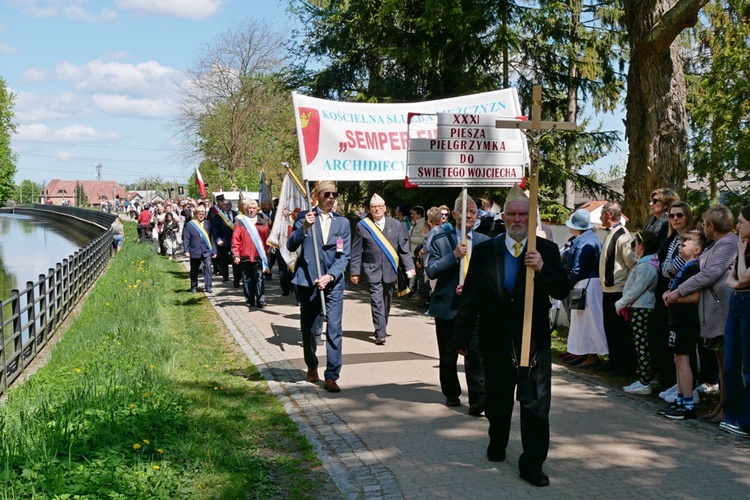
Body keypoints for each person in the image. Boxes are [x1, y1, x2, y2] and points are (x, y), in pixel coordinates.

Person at [454, 185, 569, 487]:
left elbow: (562, 288)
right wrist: (463, 339)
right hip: (496, 339)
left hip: (534, 340)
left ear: (531, 218)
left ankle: (532, 463)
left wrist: (542, 269)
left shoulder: (546, 250)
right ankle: (497, 440)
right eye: (512, 214)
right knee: (498, 399)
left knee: (535, 403)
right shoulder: (486, 250)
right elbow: (471, 298)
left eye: (523, 214)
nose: (518, 219)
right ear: (503, 217)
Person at [664, 204, 739, 424]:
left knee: (727, 363)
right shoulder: (719, 244)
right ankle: (721, 405)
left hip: (722, 309)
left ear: (711, 226)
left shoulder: (728, 244)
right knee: (721, 362)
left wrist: (678, 291)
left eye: (705, 224)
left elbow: (709, 274)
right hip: (713, 310)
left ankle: (727, 408)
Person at [287, 181, 351, 393]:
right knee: (309, 328)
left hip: (332, 283)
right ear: (316, 195)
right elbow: (290, 245)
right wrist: (304, 227)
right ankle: (312, 364)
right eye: (327, 194)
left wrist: (331, 275)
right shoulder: (305, 217)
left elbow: (344, 256)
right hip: (308, 282)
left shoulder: (342, 223)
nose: (331, 197)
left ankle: (332, 375)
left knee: (334, 328)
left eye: (334, 194)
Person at [426, 195, 486, 415]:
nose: (469, 216)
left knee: (476, 355)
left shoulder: (484, 242)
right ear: (454, 214)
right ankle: (451, 392)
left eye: (473, 212)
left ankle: (478, 400)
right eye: (464, 211)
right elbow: (431, 269)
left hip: (474, 307)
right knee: (449, 355)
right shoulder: (441, 240)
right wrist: (453, 256)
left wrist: (473, 289)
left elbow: (489, 275)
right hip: (448, 306)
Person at [350, 193, 415, 345]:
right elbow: (356, 249)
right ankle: (380, 332)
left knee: (387, 300)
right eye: (374, 207)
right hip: (372, 269)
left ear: (385, 208)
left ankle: (382, 325)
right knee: (376, 300)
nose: (377, 209)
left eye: (379, 207)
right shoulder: (362, 226)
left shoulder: (396, 225)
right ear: (370, 210)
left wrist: (410, 267)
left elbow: (403, 249)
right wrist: (354, 271)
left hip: (390, 269)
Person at [659, 230, 707, 419]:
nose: (680, 248)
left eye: (684, 245)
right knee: (678, 359)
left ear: (696, 250)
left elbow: (695, 296)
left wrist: (672, 298)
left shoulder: (694, 268)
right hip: (677, 319)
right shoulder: (686, 267)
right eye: (679, 244)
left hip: (686, 320)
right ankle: (680, 399)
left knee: (684, 359)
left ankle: (688, 404)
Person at [616, 231, 660, 395]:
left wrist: (621, 303)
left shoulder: (646, 266)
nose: (634, 246)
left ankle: (644, 381)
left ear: (643, 245)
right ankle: (643, 378)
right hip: (638, 307)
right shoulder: (644, 264)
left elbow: (637, 289)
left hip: (642, 308)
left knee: (642, 345)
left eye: (636, 243)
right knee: (640, 344)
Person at [719, 205, 750, 437]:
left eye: (742, 222)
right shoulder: (743, 247)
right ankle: (733, 414)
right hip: (737, 303)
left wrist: (740, 252)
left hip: (748, 305)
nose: (738, 226)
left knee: (747, 366)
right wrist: (738, 281)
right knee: (730, 364)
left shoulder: (742, 247)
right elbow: (732, 281)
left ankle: (746, 421)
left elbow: (743, 276)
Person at [562, 209, 607, 368]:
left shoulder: (586, 242)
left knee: (590, 320)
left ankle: (592, 354)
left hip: (587, 284)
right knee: (581, 321)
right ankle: (583, 352)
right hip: (583, 283)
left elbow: (578, 268)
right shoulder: (584, 239)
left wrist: (565, 285)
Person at [598, 202, 637, 375]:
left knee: (620, 330)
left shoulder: (623, 236)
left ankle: (624, 365)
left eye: (602, 214)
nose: (600, 217)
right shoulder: (611, 233)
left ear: (609, 215)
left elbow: (632, 263)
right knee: (610, 328)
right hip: (608, 290)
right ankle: (614, 361)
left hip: (618, 290)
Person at [232, 199, 270, 309]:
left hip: (259, 256)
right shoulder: (240, 222)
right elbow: (235, 239)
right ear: (246, 209)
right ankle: (249, 299)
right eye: (250, 208)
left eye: (254, 208)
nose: (252, 210)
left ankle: (261, 300)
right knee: (247, 279)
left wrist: (267, 252)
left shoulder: (263, 222)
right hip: (245, 256)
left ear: (257, 209)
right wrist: (236, 254)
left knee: (259, 278)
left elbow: (266, 239)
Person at [183, 206, 217, 293]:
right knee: (194, 269)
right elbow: (186, 238)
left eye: (203, 214)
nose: (201, 216)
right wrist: (186, 251)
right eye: (199, 214)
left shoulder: (208, 224)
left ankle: (208, 286)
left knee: (208, 267)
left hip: (206, 250)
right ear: (196, 214)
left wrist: (214, 251)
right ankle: (194, 286)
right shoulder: (190, 224)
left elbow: (212, 238)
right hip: (195, 250)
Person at [212, 199, 240, 287]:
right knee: (223, 260)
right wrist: (218, 239)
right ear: (222, 206)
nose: (226, 206)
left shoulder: (237, 215)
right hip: (223, 241)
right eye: (224, 204)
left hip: (234, 241)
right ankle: (225, 276)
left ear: (231, 205)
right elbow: (215, 229)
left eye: (228, 204)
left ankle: (236, 278)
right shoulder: (218, 216)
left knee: (235, 259)